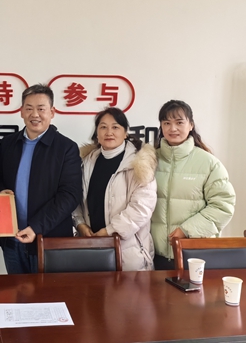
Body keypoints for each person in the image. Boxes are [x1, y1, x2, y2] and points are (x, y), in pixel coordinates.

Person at [0, 84, 82, 274]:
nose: (35, 114)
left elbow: (70, 195)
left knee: (48, 292)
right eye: (29, 108)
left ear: (52, 112)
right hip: (11, 239)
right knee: (15, 291)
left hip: (48, 241)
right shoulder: (8, 143)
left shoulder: (66, 148)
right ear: (21, 111)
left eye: (41, 109)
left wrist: (36, 227)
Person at [151, 100, 236, 270]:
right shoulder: (150, 160)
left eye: (179, 122)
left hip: (195, 252)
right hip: (154, 253)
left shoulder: (208, 163)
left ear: (191, 125)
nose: (172, 128)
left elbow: (223, 206)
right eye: (166, 123)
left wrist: (186, 230)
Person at [73, 107, 157, 271]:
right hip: (91, 246)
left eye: (115, 127)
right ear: (97, 133)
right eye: (103, 127)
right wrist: (80, 223)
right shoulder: (86, 161)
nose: (109, 132)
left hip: (128, 251)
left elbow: (142, 208)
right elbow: (75, 197)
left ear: (125, 133)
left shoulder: (139, 164)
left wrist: (110, 231)